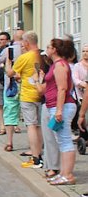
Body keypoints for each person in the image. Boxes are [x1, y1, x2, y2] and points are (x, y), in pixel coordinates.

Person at [36, 38, 78, 185]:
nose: (46, 49)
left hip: (62, 106)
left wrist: (59, 110)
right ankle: (64, 173)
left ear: (54, 50)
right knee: (62, 140)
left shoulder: (60, 65)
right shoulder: (56, 65)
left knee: (65, 141)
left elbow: (62, 88)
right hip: (56, 106)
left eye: (49, 47)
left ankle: (68, 174)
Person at [8, 31, 44, 169]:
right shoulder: (42, 55)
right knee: (39, 126)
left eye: (23, 42)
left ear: (27, 42)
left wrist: (8, 63)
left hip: (28, 94)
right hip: (42, 94)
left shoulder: (25, 57)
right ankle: (39, 153)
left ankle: (35, 158)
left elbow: (10, 73)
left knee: (31, 126)